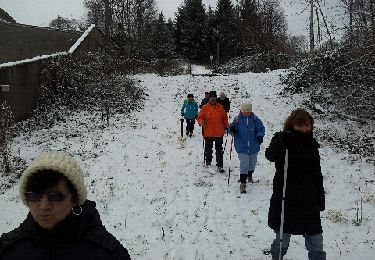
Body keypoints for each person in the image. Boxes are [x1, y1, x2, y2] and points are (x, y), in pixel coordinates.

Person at [0, 152, 131, 260]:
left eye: (56, 196)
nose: (44, 206)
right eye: (35, 195)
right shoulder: (7, 249)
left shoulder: (108, 253)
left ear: (75, 199)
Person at [265, 109, 326, 260]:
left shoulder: (312, 145)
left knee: (316, 240)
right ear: (291, 124)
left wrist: (320, 197)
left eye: (307, 125)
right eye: (300, 125)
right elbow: (270, 155)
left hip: (308, 200)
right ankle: (276, 256)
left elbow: (316, 174)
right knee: (282, 239)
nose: (304, 129)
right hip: (286, 198)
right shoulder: (282, 139)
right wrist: (281, 143)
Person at [229, 102, 265, 194]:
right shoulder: (237, 119)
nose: (246, 113)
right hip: (241, 146)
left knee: (252, 163)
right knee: (244, 164)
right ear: (241, 110)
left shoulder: (255, 119)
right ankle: (243, 183)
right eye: (244, 111)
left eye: (248, 111)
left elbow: (261, 129)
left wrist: (260, 135)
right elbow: (231, 129)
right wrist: (232, 130)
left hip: (253, 146)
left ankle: (249, 175)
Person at [197, 91, 229, 172]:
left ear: (216, 98)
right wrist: (201, 122)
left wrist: (226, 125)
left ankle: (219, 164)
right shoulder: (204, 107)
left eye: (214, 97)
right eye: (211, 97)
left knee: (219, 150)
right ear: (209, 98)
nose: (213, 99)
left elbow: (225, 118)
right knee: (208, 149)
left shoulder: (220, 107)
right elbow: (200, 117)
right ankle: (208, 162)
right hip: (208, 132)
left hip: (219, 132)